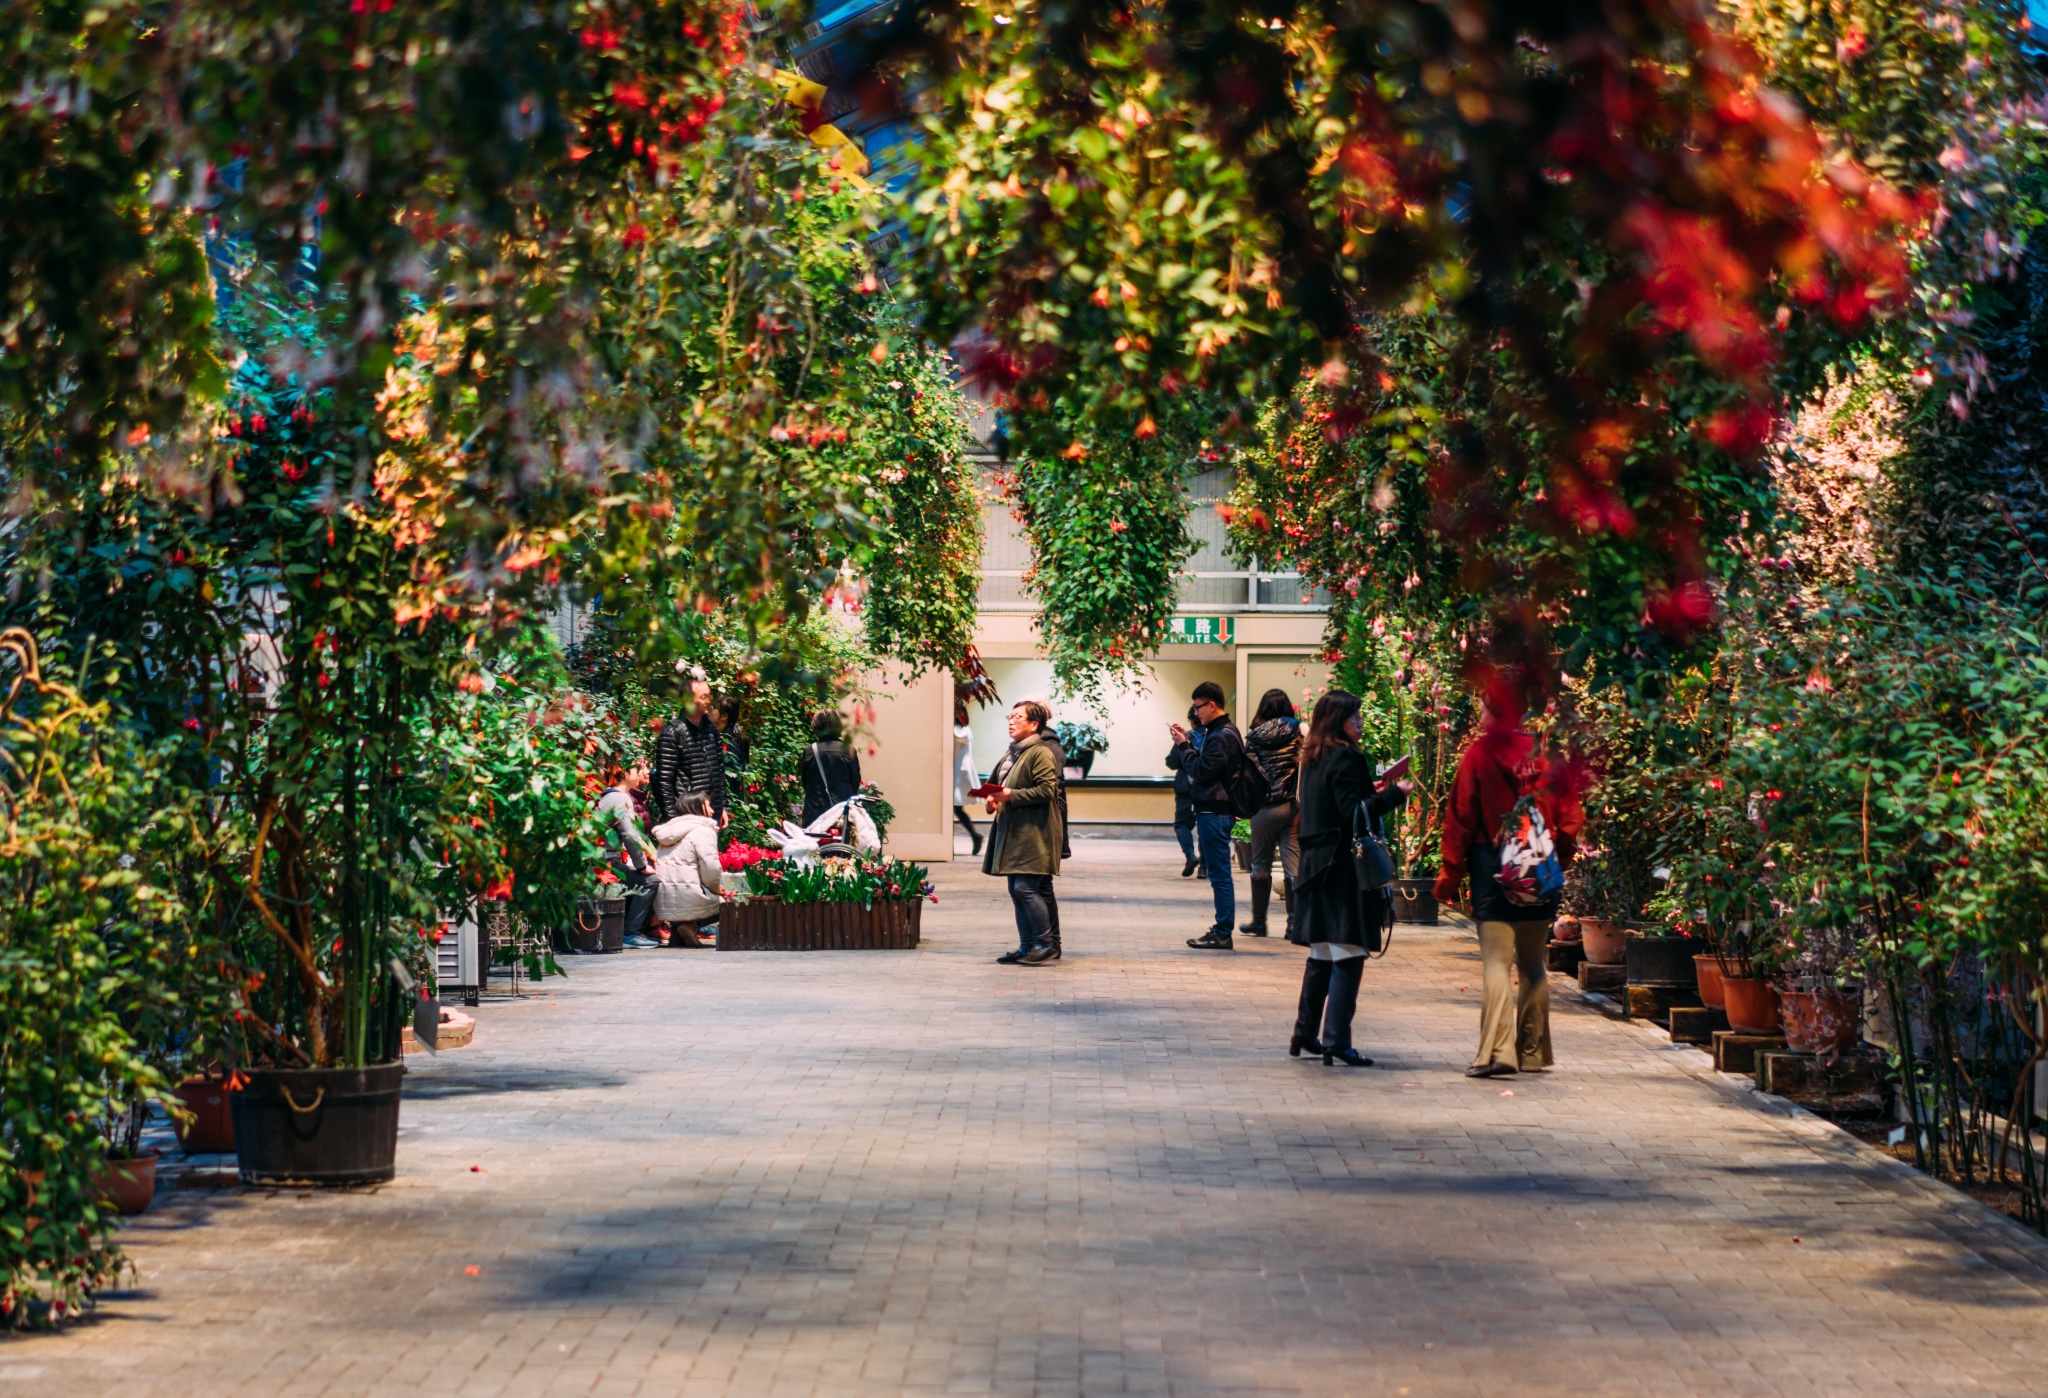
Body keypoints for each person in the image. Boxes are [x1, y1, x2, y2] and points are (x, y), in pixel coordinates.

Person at [1434, 682, 1585, 1079]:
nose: (1480, 716)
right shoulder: (1548, 756)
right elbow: (1571, 820)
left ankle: (1497, 1052)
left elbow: (1460, 820)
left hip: (1492, 867)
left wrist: (1448, 879)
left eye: (1484, 708)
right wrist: (1557, 860)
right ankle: (1532, 1053)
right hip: (1539, 863)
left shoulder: (1479, 756)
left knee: (1497, 962)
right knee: (1534, 963)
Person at [1290, 691, 1410, 1066]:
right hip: (1343, 868)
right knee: (1349, 950)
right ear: (1338, 719)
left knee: (1322, 951)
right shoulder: (1345, 756)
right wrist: (1393, 795)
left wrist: (1366, 794)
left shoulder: (1313, 756)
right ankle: (1336, 1041)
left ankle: (1305, 1034)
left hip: (1315, 866)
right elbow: (1349, 814)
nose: (1360, 723)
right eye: (1355, 717)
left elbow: (1336, 804)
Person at [982, 699, 1064, 966]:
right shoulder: (1013, 752)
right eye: (1010, 716)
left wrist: (1009, 795)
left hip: (1033, 833)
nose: (1012, 721)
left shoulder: (1040, 752)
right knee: (1016, 889)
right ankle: (1028, 945)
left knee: (1025, 888)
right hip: (1013, 832)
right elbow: (997, 784)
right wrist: (991, 799)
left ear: (1034, 724)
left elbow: (1046, 791)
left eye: (1019, 717)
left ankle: (1045, 944)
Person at [1172, 681, 1244, 950]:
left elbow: (1201, 772)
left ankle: (1223, 932)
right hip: (1213, 810)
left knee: (1220, 875)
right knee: (1218, 873)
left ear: (1212, 705)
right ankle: (1221, 929)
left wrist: (1183, 746)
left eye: (1198, 707)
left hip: (1215, 811)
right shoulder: (1218, 732)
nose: (1196, 713)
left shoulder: (1222, 735)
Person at [1242, 688, 1303, 938]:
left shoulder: (1255, 737)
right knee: (1294, 866)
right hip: (1293, 808)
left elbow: (1248, 774)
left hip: (1264, 809)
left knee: (1260, 865)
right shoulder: (1298, 730)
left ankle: (1259, 922)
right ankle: (1294, 925)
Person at [596, 762, 660, 946]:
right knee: (649, 880)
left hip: (601, 861)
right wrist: (642, 865)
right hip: (605, 863)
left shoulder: (607, 795)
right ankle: (630, 933)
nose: (644, 772)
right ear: (624, 773)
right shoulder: (620, 799)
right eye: (639, 769)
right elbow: (629, 834)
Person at [654, 666, 728, 825]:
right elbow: (663, 781)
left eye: (709, 696)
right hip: (687, 816)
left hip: (712, 813)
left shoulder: (711, 730)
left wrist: (722, 807)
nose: (709, 701)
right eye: (703, 697)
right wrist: (672, 820)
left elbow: (719, 772)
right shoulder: (672, 732)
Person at [653, 793, 723, 947]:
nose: (712, 811)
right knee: (728, 902)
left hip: (664, 900)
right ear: (697, 807)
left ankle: (678, 930)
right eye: (708, 805)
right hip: (690, 896)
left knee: (685, 891)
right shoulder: (703, 831)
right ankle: (691, 926)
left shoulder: (668, 832)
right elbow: (711, 869)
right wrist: (717, 889)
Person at [800, 710, 863, 826]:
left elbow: (805, 782)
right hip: (842, 812)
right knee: (844, 842)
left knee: (813, 843)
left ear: (816, 726)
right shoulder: (848, 750)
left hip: (815, 812)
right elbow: (855, 781)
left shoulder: (809, 752)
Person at [1165, 705, 1202, 878]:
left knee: (1181, 824)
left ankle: (1190, 856)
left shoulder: (1186, 737)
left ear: (1192, 720)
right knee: (1205, 828)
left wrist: (1180, 745)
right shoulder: (1216, 735)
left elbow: (1171, 762)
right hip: (1207, 790)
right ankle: (1205, 868)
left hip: (1186, 790)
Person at [953, 701, 983, 856]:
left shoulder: (959, 732)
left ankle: (975, 836)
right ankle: (975, 836)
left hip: (959, 772)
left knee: (955, 807)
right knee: (955, 808)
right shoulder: (963, 730)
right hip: (959, 771)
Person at [712, 694, 751, 773]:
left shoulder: (731, 745)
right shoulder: (717, 736)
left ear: (723, 716)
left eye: (714, 708)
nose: (709, 710)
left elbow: (731, 777)